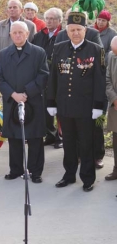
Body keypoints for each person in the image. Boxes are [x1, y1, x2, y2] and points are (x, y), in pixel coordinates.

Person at [47, 12, 106, 192]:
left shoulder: (96, 50)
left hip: (86, 107)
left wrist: (98, 105)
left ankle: (88, 178)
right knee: (69, 143)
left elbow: (100, 80)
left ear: (85, 30)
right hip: (65, 105)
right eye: (72, 30)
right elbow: (53, 77)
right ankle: (69, 175)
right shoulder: (59, 47)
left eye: (79, 30)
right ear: (67, 30)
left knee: (86, 143)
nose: (75, 33)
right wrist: (51, 101)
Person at [0, 21, 49, 182]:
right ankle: (15, 169)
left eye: (21, 32)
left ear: (27, 34)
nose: (17, 35)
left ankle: (35, 171)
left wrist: (26, 93)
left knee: (35, 138)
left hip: (32, 101)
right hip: (12, 102)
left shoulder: (38, 52)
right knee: (15, 138)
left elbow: (43, 75)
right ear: (10, 35)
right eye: (14, 33)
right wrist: (13, 94)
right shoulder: (4, 54)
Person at [32, 7, 63, 149]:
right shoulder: (40, 35)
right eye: (47, 19)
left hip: (58, 77)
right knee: (46, 107)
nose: (49, 21)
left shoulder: (63, 35)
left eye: (52, 19)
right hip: (42, 77)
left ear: (59, 20)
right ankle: (50, 133)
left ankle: (60, 137)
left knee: (59, 107)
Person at [0, 0, 37, 67]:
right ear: (7, 10)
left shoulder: (30, 26)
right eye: (10, 8)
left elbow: (34, 47)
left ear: (21, 10)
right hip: (4, 66)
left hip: (24, 67)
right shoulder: (0, 25)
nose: (12, 9)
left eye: (15, 7)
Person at [105, 36, 117, 181]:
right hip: (115, 105)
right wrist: (113, 98)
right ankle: (116, 169)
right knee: (116, 139)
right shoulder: (111, 55)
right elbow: (107, 78)